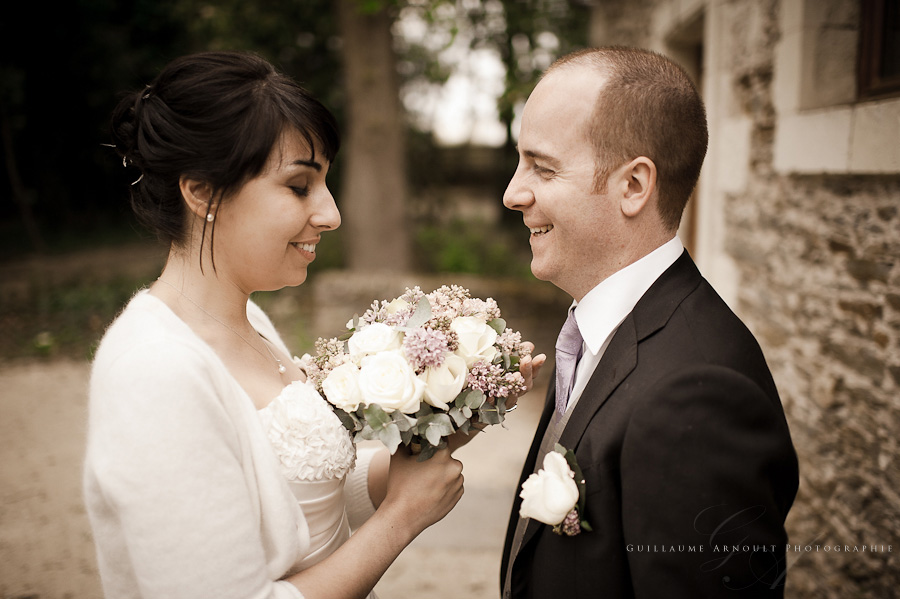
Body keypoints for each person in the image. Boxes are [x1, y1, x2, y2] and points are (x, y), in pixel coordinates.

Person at [84, 51, 535, 599]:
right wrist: (401, 519)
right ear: (202, 191)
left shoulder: (247, 318)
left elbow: (297, 494)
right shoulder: (153, 372)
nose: (330, 213)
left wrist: (433, 438)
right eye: (299, 187)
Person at [499, 47, 799, 598]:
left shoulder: (698, 395)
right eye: (521, 162)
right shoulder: (594, 330)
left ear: (633, 186)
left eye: (542, 167)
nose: (513, 193)